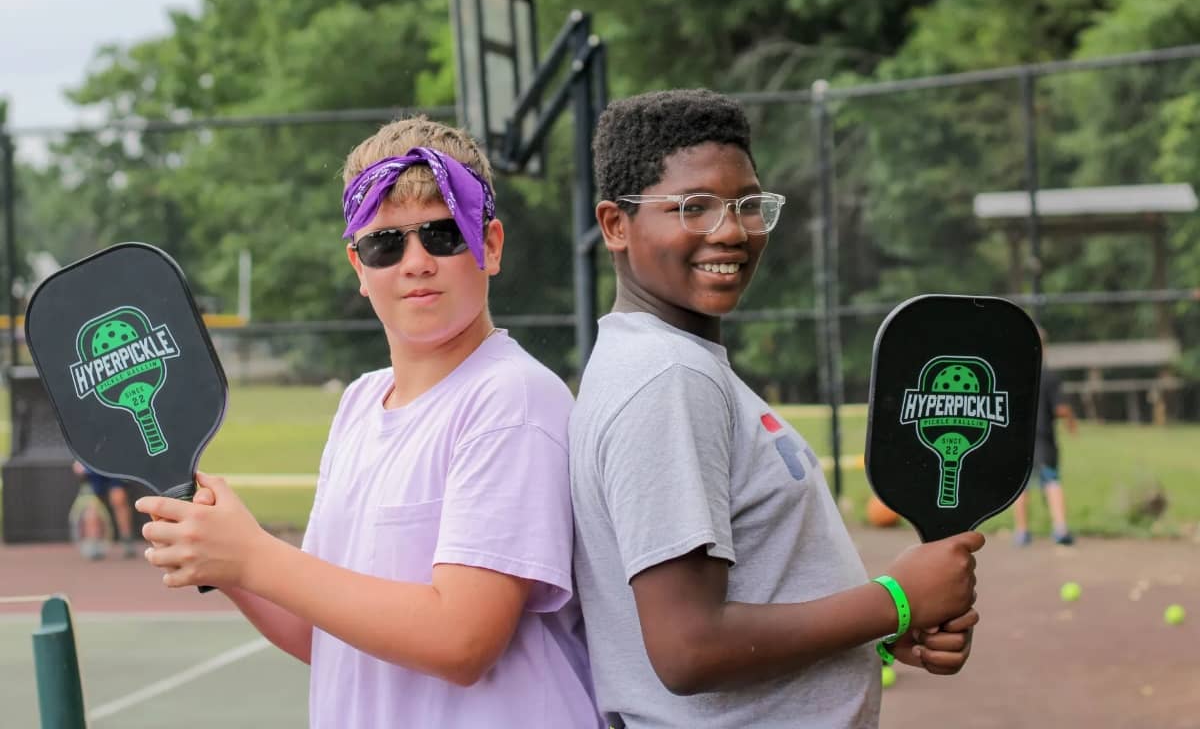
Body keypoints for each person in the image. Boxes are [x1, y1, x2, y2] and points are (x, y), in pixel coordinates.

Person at [135, 117, 602, 728]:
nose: (416, 262)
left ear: (489, 245)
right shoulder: (359, 402)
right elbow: (320, 632)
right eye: (386, 244)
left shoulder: (512, 398)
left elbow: (463, 639)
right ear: (358, 265)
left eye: (442, 235)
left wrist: (254, 557)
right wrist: (225, 558)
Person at [570, 89, 984, 728]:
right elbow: (689, 648)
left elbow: (759, 594)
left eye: (747, 204)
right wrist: (895, 600)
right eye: (693, 207)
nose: (731, 230)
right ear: (615, 225)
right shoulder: (668, 377)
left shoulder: (667, 362)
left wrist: (873, 629)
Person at [1012, 326, 1078, 546]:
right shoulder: (1049, 377)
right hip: (1043, 440)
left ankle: (1022, 531)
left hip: (1021, 440)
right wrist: (1071, 422)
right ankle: (1060, 528)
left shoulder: (1015, 377)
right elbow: (1061, 409)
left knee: (1021, 487)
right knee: (1051, 481)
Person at [71, 460, 138, 560]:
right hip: (92, 466)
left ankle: (127, 539)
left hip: (114, 463)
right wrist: (78, 460)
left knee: (119, 498)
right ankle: (93, 542)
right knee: (92, 505)